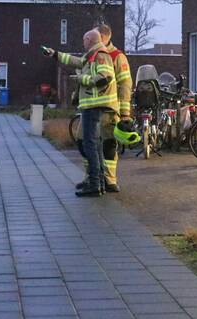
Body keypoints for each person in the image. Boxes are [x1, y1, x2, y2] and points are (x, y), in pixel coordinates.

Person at [42, 29, 118, 196]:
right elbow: (74, 61)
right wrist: (55, 54)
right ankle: (98, 183)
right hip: (93, 106)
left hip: (95, 105)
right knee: (93, 144)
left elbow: (105, 77)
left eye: (84, 40)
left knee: (90, 144)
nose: (83, 44)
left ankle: (95, 185)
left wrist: (81, 79)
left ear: (90, 40)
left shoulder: (100, 55)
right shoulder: (92, 55)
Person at [94, 22, 132, 192]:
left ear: (103, 37)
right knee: (85, 143)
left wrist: (125, 113)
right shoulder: (93, 54)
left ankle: (109, 180)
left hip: (109, 110)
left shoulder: (117, 57)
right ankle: (92, 178)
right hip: (91, 109)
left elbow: (125, 84)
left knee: (109, 144)